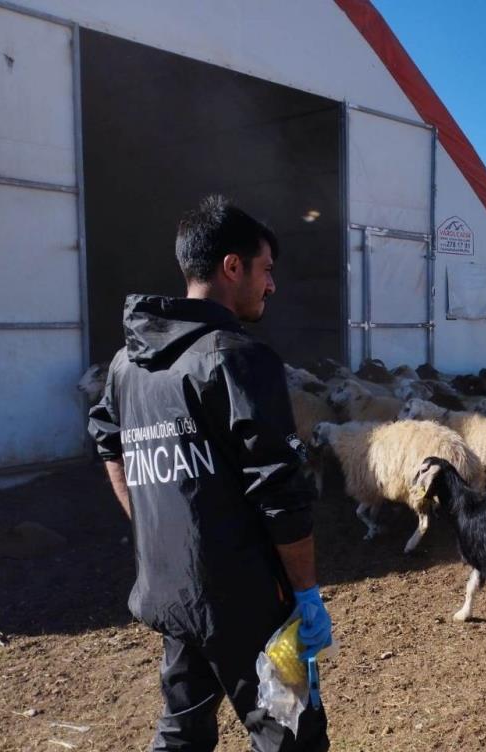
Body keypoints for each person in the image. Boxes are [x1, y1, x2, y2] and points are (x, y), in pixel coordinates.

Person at [88, 195, 332, 751]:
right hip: (249, 602)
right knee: (291, 732)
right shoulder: (236, 357)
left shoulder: (128, 365)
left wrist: (153, 530)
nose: (272, 285)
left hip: (171, 590)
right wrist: (307, 593)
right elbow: (280, 489)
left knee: (182, 729)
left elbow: (108, 440)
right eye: (267, 270)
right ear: (231, 267)